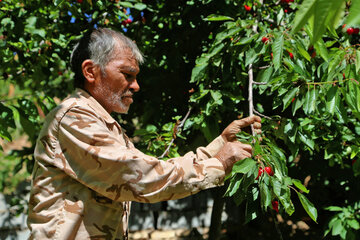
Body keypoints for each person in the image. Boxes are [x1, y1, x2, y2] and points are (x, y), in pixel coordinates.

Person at [27, 28, 261, 240]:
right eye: (127, 74)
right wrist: (219, 163)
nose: (136, 86)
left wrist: (220, 145)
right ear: (90, 71)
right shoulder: (74, 118)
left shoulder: (100, 122)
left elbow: (152, 168)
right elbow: (143, 176)